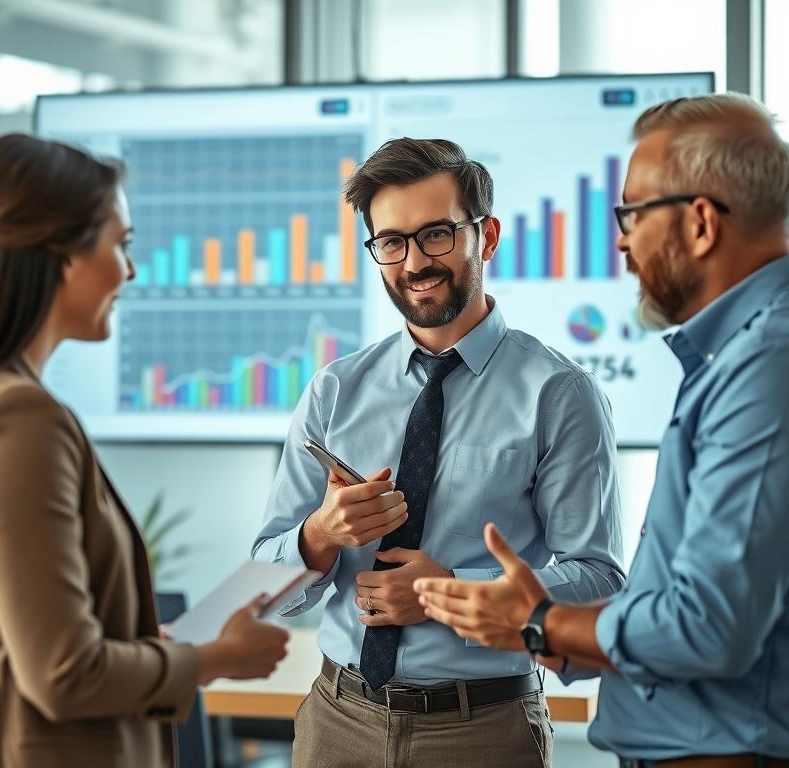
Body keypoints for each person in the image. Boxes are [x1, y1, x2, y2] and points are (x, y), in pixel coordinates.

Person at [416, 94, 789, 768]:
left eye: (632, 213)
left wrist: (536, 622)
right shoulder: (758, 354)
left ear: (702, 222)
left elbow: (707, 626)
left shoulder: (776, 368)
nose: (621, 240)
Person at [0, 133, 289, 768]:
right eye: (120, 245)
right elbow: (62, 673)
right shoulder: (15, 418)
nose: (129, 270)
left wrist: (137, 644)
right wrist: (216, 658)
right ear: (62, 256)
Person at [252, 137, 625, 768]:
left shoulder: (560, 393)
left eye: (437, 235)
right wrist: (319, 536)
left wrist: (445, 590)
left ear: (488, 236)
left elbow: (598, 579)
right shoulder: (335, 389)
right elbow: (266, 582)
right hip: (336, 721)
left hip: (481, 727)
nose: (414, 262)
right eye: (391, 242)